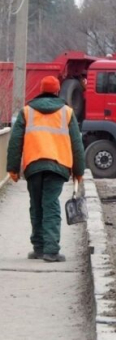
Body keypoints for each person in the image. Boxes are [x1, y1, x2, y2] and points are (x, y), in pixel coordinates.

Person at [6, 76, 85, 262]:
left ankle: (39, 248)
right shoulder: (67, 112)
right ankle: (51, 250)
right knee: (50, 204)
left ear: (40, 90)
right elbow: (76, 144)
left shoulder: (26, 112)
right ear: (58, 91)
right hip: (58, 166)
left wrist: (13, 168)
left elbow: (15, 142)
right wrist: (78, 171)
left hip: (33, 165)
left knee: (36, 205)